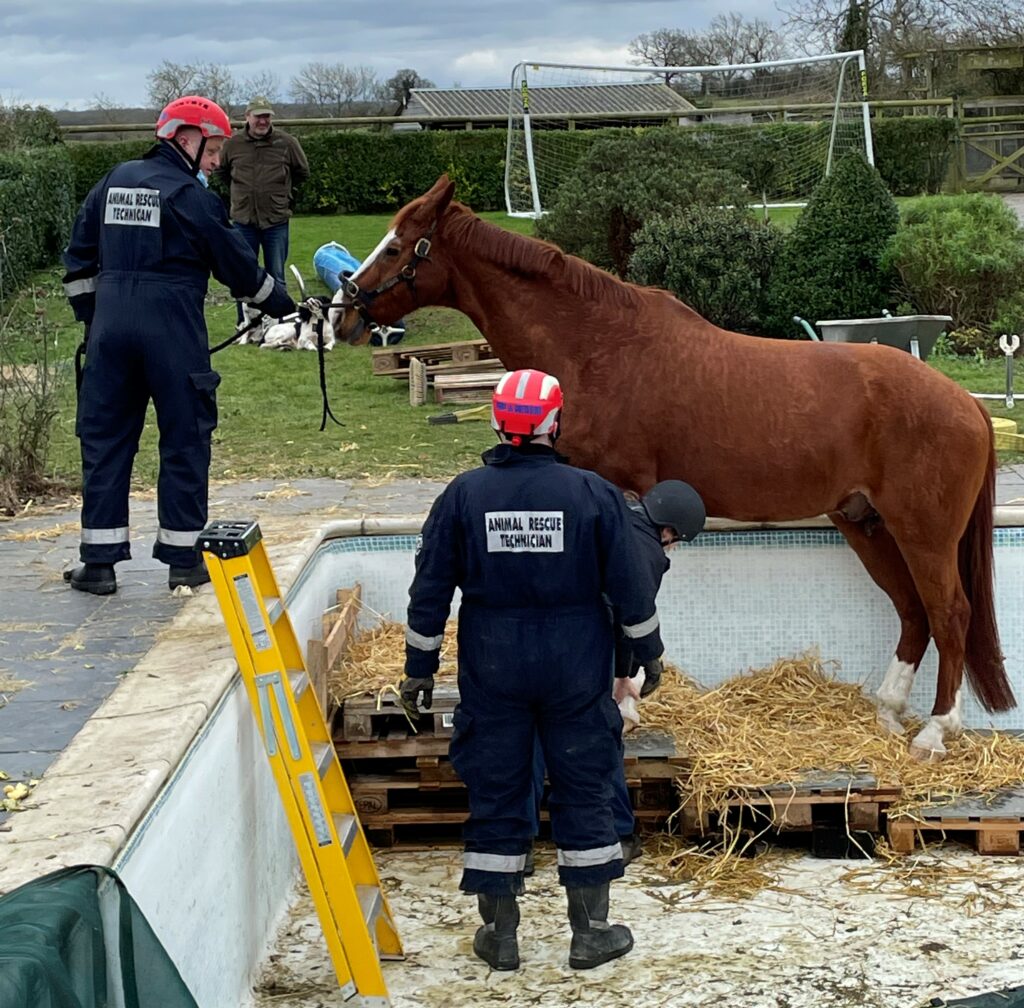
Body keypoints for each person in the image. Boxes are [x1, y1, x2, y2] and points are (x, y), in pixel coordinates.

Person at [398, 368, 664, 973]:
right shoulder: (593, 494)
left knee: (497, 785)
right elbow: (630, 587)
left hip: (494, 661)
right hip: (574, 662)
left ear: (497, 422)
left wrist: (418, 669)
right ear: (553, 423)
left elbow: (430, 588)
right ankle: (590, 933)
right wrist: (649, 653)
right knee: (585, 784)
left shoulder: (463, 495)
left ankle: (501, 938)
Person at [61, 95, 297, 596]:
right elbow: (235, 263)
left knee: (104, 443)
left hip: (109, 332)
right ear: (186, 140)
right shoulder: (190, 196)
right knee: (185, 442)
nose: (215, 162)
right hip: (172, 331)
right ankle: (185, 562)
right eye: (212, 151)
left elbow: (78, 262)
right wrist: (281, 303)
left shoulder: (112, 180)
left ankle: (98, 564)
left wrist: (95, 321)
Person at [530, 479, 706, 868]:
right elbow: (633, 618)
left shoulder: (604, 518)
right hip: (586, 654)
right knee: (601, 740)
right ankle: (620, 834)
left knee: (530, 741)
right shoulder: (645, 551)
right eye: (675, 539)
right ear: (667, 529)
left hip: (535, 644)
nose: (672, 548)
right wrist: (635, 669)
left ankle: (518, 848)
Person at [218, 96, 309, 324]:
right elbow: (221, 171)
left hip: (276, 221)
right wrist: (239, 194)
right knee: (242, 273)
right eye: (258, 116)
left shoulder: (287, 143)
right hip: (243, 220)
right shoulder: (232, 144)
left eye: (266, 116)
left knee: (276, 274)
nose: (263, 121)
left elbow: (302, 173)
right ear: (247, 117)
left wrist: (285, 197)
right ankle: (244, 322)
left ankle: (281, 323)